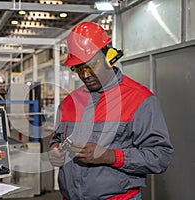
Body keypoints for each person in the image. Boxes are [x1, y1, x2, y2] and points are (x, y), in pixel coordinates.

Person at [48, 22, 173, 200]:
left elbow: (160, 157)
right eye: (79, 68)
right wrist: (55, 151)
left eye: (91, 65)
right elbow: (56, 140)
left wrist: (109, 156)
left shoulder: (139, 100)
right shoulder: (69, 103)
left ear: (109, 57)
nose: (85, 75)